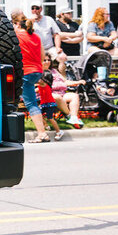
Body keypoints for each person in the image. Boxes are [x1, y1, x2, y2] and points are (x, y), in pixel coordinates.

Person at [12, 10, 48, 142]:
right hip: (37, 71)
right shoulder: (36, 37)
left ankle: (42, 133)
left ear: (16, 23)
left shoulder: (17, 35)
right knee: (30, 101)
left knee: (30, 103)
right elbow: (43, 56)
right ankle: (43, 128)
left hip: (25, 72)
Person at [43, 52, 83, 129]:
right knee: (57, 97)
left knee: (74, 96)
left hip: (61, 93)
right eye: (44, 60)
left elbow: (64, 81)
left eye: (48, 60)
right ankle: (69, 116)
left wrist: (77, 82)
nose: (47, 62)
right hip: (47, 94)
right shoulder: (39, 72)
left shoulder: (54, 71)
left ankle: (74, 117)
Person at [36, 73, 65, 141]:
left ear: (45, 80)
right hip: (43, 104)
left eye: (40, 78)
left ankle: (59, 131)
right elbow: (36, 90)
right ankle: (46, 125)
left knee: (50, 118)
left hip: (50, 104)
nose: (38, 79)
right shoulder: (41, 85)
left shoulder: (44, 84)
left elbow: (37, 83)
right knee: (37, 114)